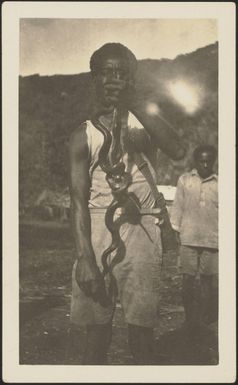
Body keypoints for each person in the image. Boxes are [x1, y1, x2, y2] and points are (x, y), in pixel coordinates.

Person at [69, 42, 185, 364]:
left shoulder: (144, 123)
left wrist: (135, 104)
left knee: (142, 334)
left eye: (122, 74)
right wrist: (85, 259)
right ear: (94, 79)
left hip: (143, 228)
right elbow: (77, 200)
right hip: (96, 229)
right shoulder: (83, 134)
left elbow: (177, 150)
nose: (113, 80)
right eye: (106, 73)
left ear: (132, 81)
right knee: (95, 336)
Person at [170, 145, 218, 339]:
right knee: (188, 281)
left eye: (209, 161)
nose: (205, 165)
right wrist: (176, 230)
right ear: (195, 162)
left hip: (212, 239)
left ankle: (205, 321)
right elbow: (178, 207)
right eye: (201, 161)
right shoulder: (185, 180)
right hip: (188, 238)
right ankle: (190, 321)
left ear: (213, 161)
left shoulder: (220, 182)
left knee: (208, 282)